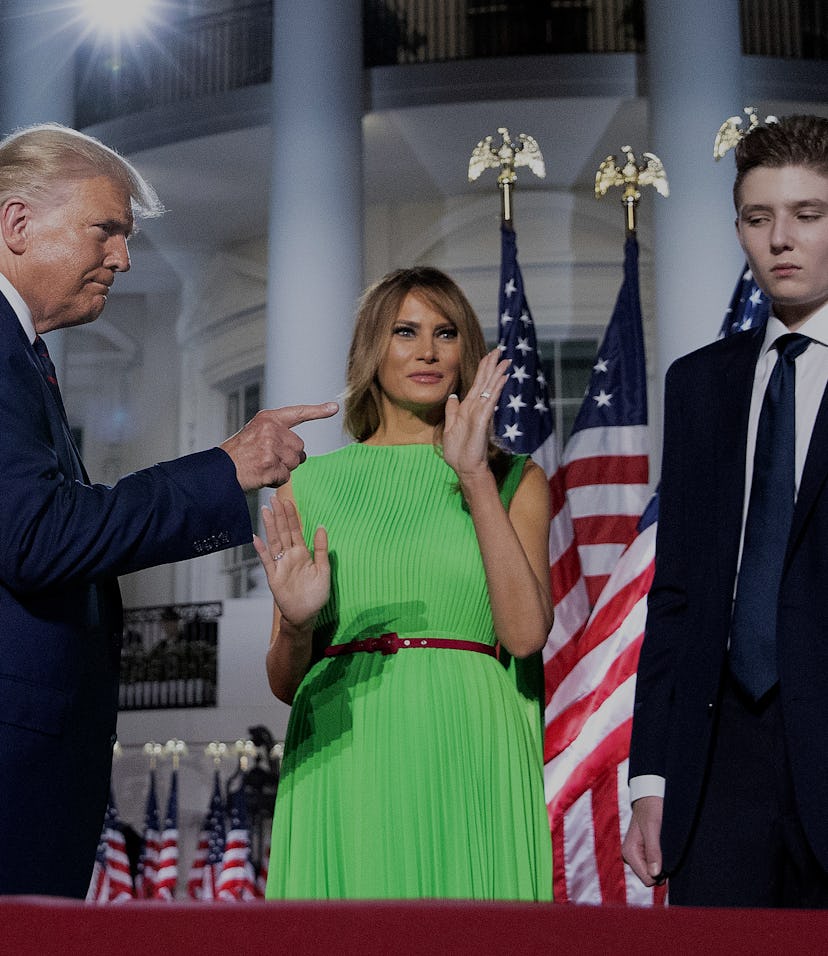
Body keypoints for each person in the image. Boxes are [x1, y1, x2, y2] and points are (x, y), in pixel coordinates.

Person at [0, 122, 337, 898]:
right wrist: (227, 469)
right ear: (18, 224)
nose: (122, 256)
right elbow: (37, 536)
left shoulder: (25, 354)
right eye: (106, 229)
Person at [254, 266, 554, 900]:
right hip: (345, 745)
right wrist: (301, 624)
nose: (427, 351)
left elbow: (525, 636)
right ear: (373, 349)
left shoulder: (515, 480)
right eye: (405, 332)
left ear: (466, 351)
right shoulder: (308, 484)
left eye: (446, 333)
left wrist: (472, 475)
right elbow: (284, 682)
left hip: (469, 740)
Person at [623, 113, 828, 907]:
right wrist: (651, 776)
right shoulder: (698, 382)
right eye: (758, 217)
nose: (781, 239)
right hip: (717, 768)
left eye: (808, 215)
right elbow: (676, 598)